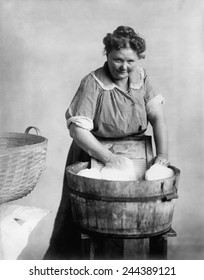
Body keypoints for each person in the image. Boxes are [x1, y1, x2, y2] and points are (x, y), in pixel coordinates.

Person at [44, 26, 169, 260]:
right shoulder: (93, 83)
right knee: (87, 221)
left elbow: (158, 118)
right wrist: (110, 159)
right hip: (94, 154)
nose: (123, 67)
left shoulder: (141, 78)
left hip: (135, 153)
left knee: (131, 216)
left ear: (139, 58)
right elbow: (78, 130)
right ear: (107, 54)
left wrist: (162, 155)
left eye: (130, 61)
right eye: (117, 60)